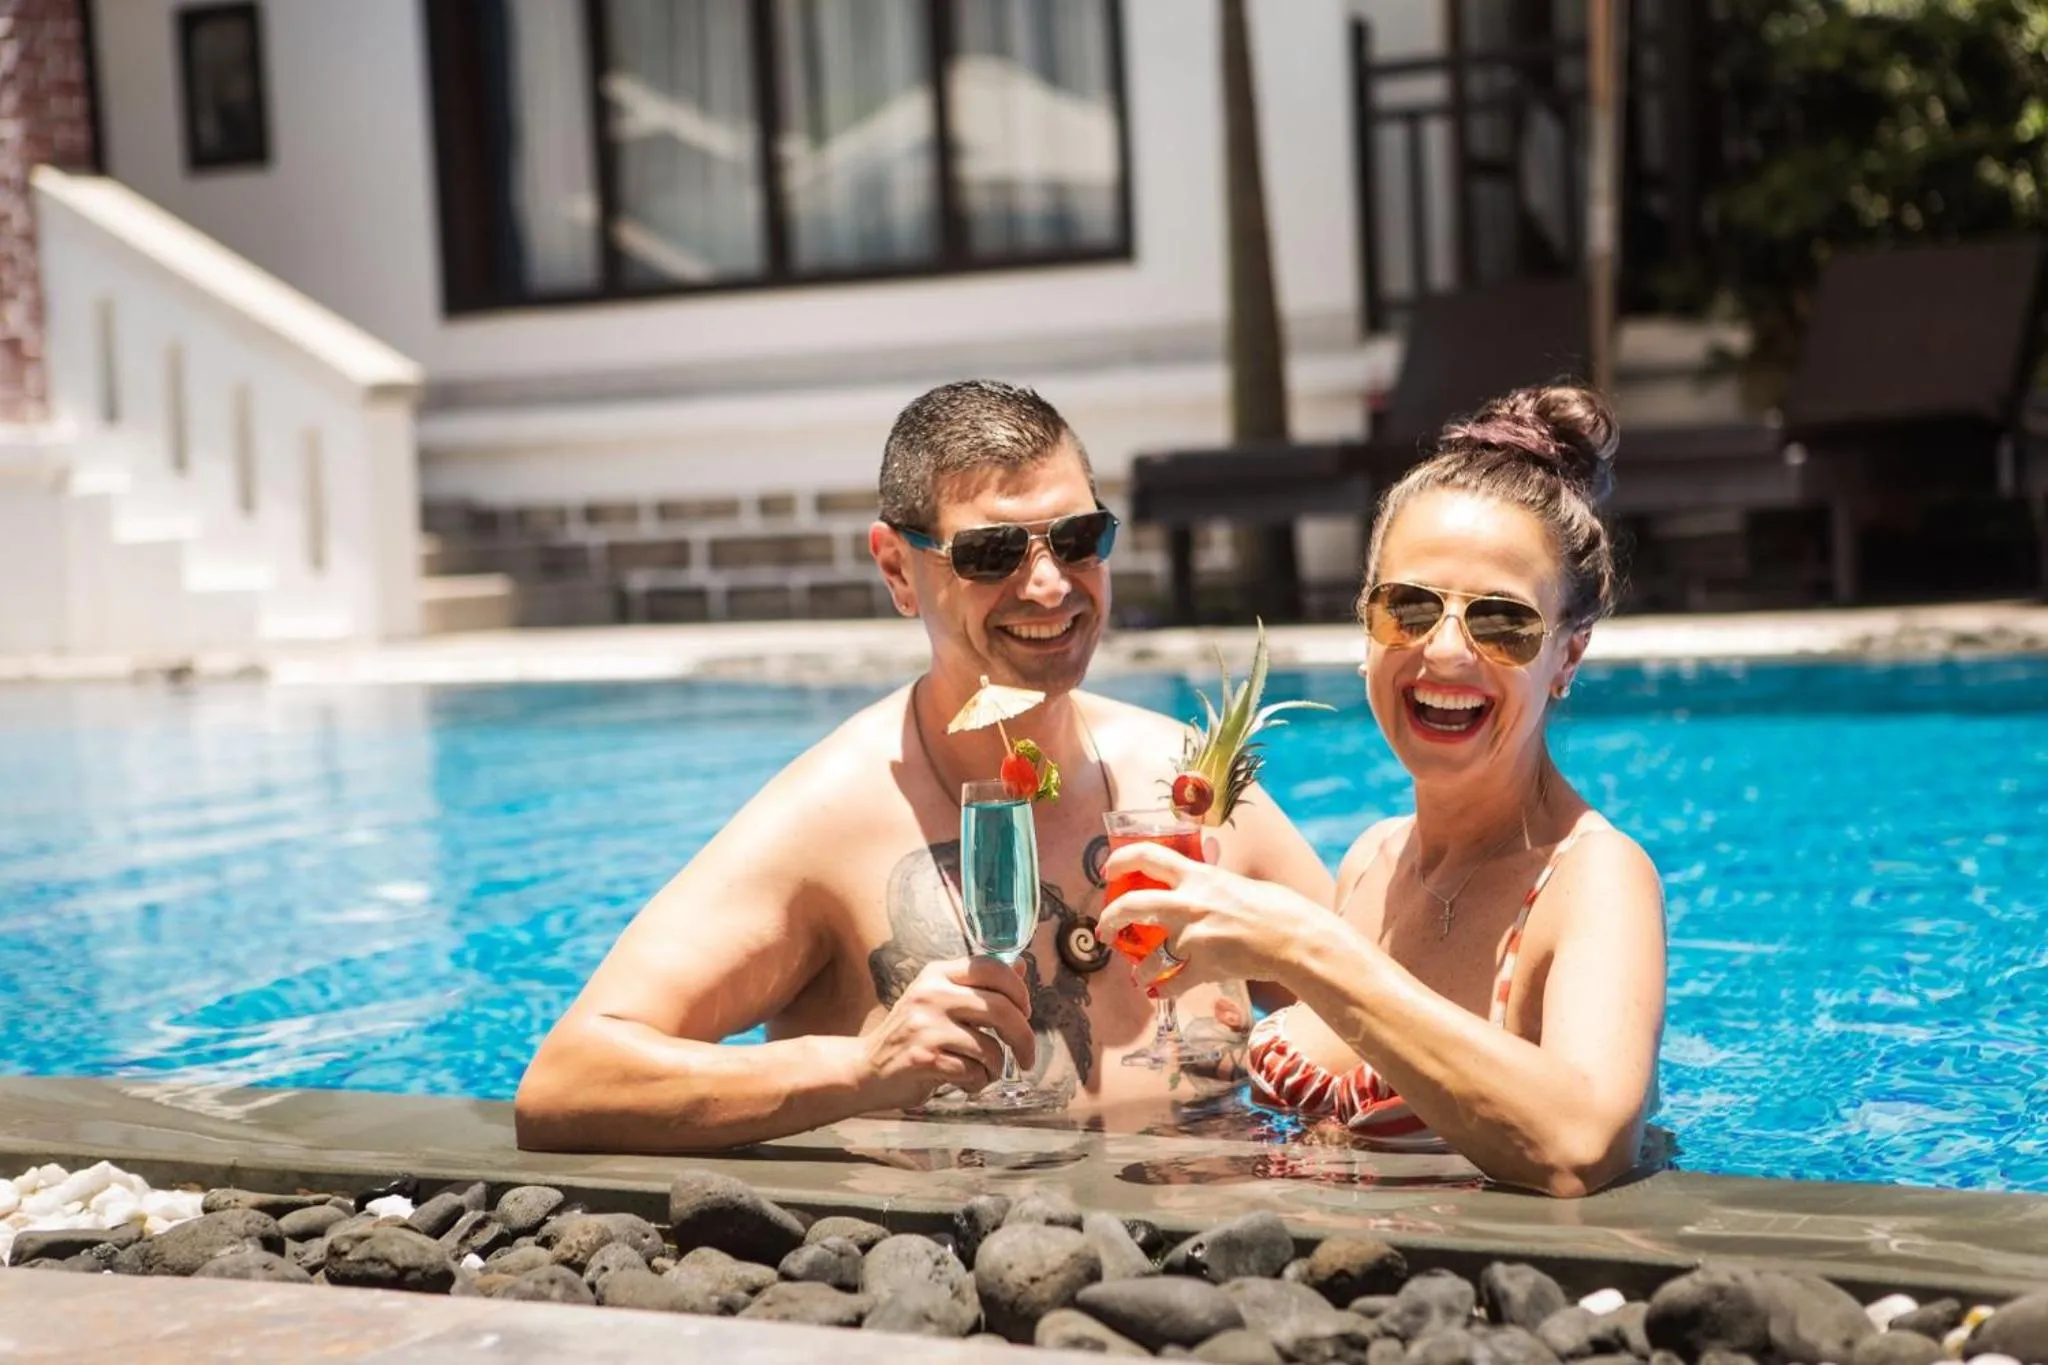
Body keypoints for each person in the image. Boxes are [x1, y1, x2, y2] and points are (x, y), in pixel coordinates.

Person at [516, 380, 1333, 1152]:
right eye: (992, 552)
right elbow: (568, 1081)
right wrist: (859, 1069)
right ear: (897, 569)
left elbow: (1398, 1020)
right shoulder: (832, 818)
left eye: (1080, 540)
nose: (1050, 585)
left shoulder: (1193, 787)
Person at [1098, 384, 1666, 1197]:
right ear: (1365, 629)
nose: (1444, 652)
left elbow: (1584, 1144)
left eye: (1501, 622)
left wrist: (1303, 945)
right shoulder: (1371, 860)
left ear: (1567, 658)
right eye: (1408, 607)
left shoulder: (1594, 879)